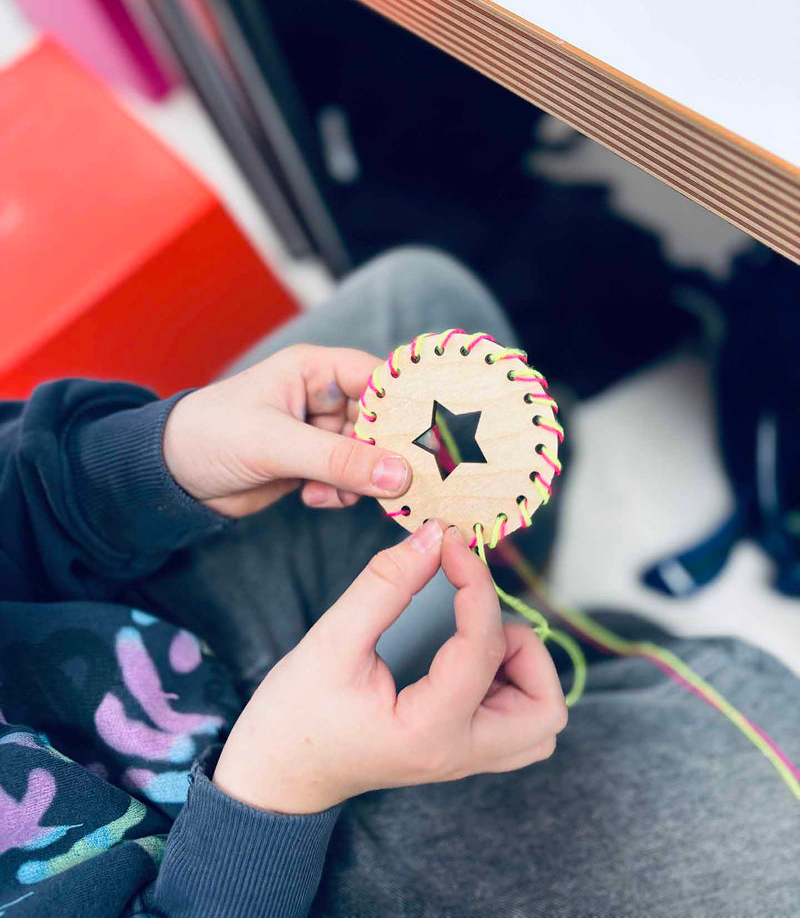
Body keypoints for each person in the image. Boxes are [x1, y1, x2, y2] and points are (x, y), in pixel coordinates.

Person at [0, 248, 797, 918]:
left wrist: (144, 464)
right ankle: (517, 677)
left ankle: (498, 661)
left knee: (418, 303)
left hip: (138, 631)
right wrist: (280, 791)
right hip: (222, 874)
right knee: (771, 752)